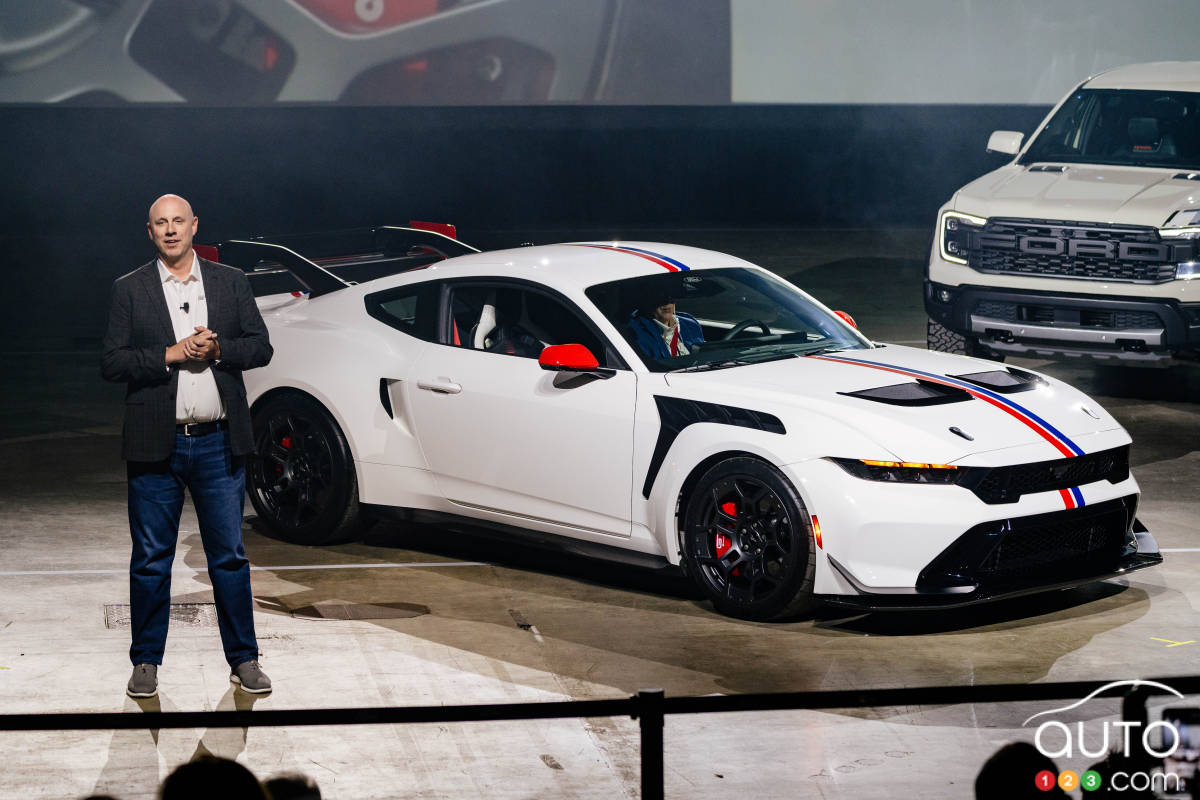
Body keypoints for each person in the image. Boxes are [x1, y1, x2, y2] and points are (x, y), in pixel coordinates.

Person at [101, 194, 273, 698]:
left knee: (229, 558)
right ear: (149, 231)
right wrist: (170, 354)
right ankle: (146, 662)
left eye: (179, 221)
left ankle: (244, 658)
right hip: (157, 445)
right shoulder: (129, 289)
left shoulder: (230, 282)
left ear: (194, 225)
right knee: (152, 559)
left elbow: (260, 347)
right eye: (161, 223)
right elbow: (112, 363)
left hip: (219, 444)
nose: (171, 230)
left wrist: (220, 349)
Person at [626, 291, 704, 359]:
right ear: (647, 300)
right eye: (660, 297)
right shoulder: (636, 333)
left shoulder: (690, 324)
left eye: (671, 296)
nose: (667, 302)